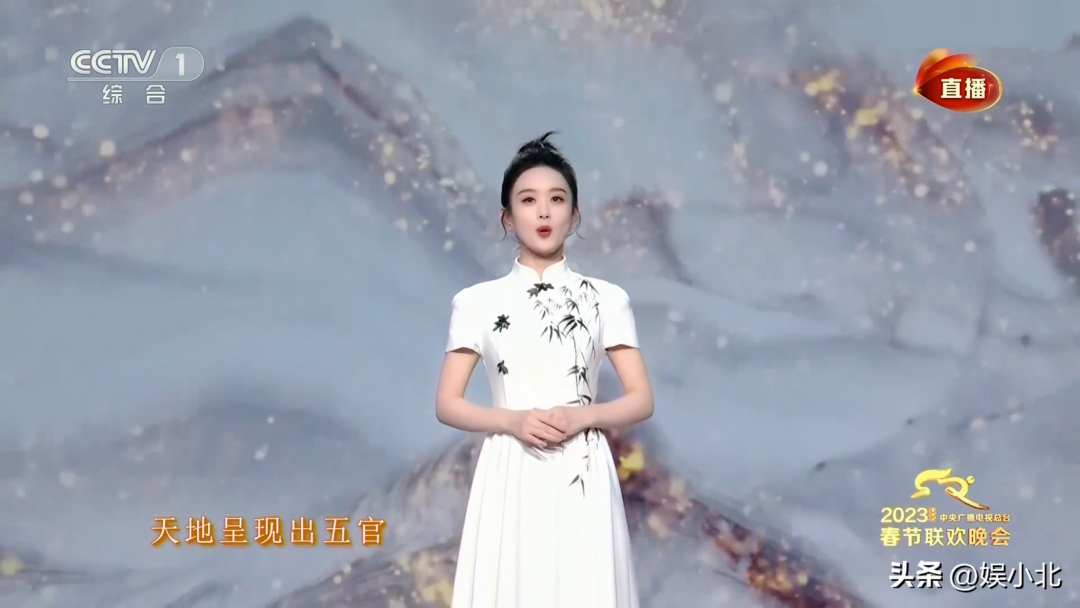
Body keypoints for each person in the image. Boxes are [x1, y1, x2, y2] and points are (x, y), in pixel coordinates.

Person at [435, 132, 654, 607]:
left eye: (556, 199)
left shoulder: (606, 299)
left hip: (582, 470)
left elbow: (641, 398)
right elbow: (447, 403)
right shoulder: (476, 302)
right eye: (528, 200)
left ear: (574, 215)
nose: (543, 212)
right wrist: (512, 421)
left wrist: (582, 416)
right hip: (509, 467)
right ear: (507, 217)